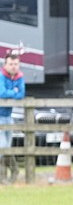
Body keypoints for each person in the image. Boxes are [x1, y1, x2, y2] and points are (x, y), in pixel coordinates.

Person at [1, 51, 26, 183]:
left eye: (16, 64)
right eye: (11, 64)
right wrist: (13, 92)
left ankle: (10, 173)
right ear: (5, 64)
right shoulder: (1, 76)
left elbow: (21, 94)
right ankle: (8, 173)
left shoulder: (19, 77)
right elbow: (1, 92)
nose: (14, 67)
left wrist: (11, 93)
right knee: (2, 146)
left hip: (8, 116)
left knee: (7, 147)